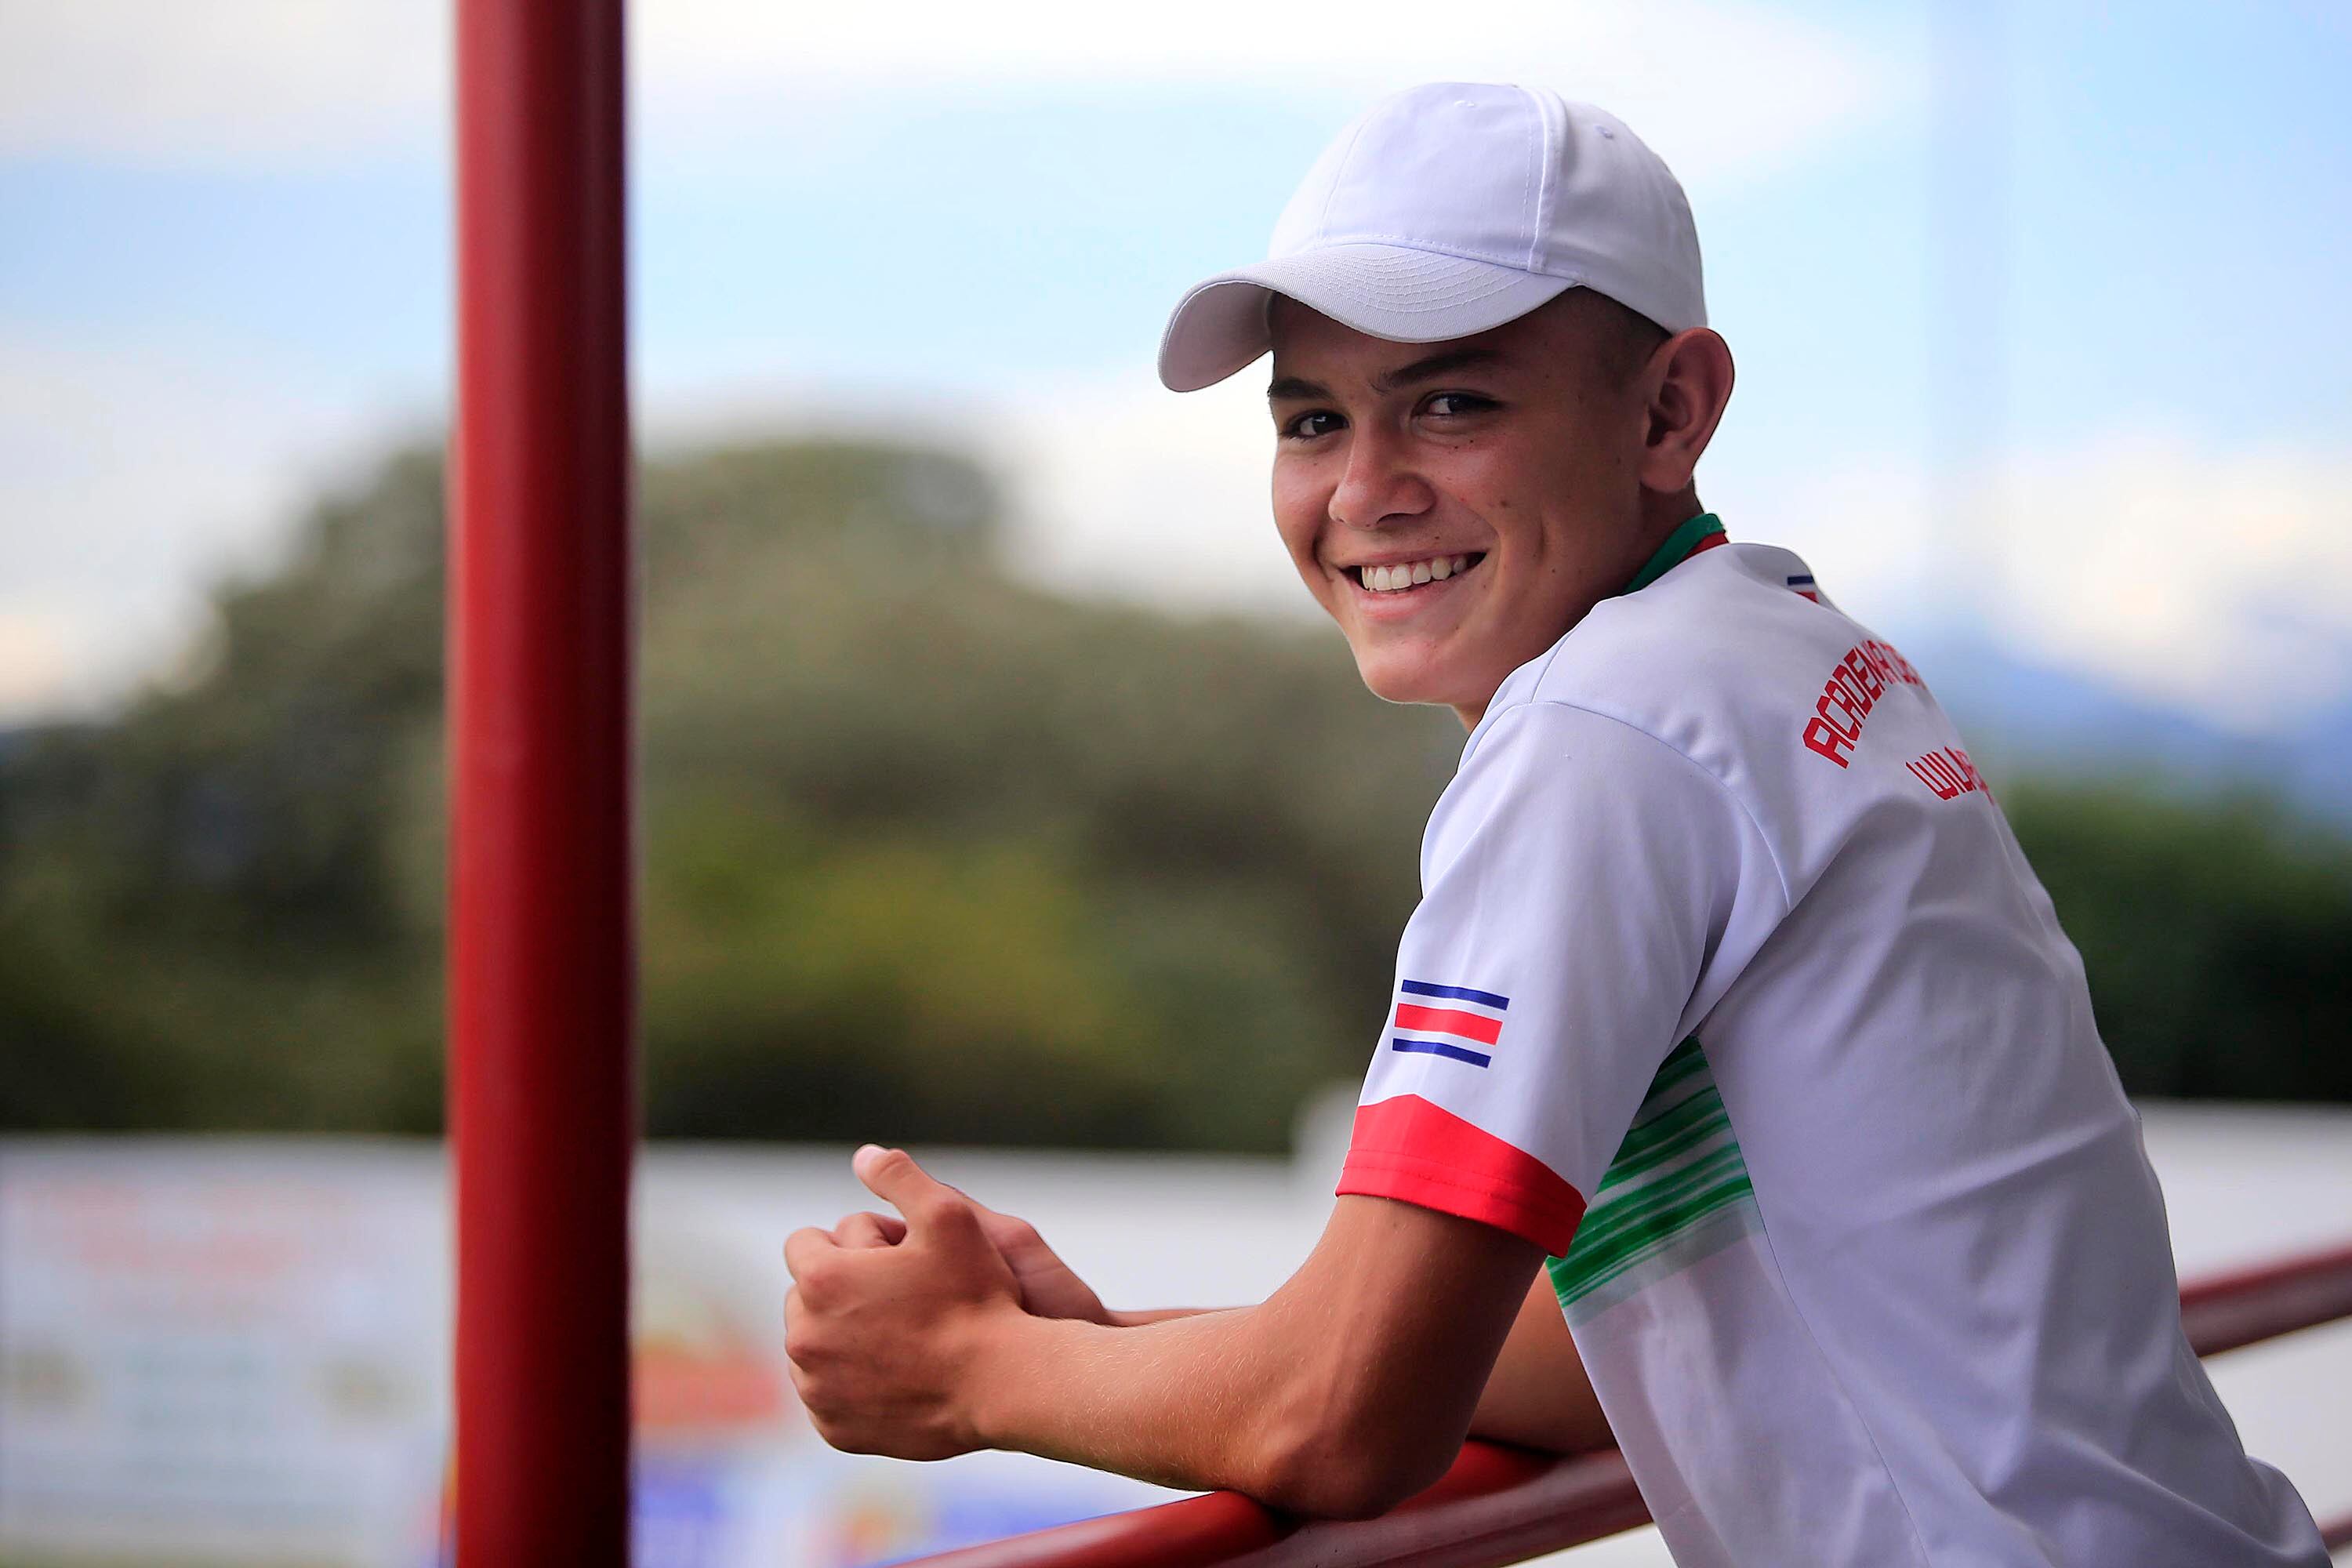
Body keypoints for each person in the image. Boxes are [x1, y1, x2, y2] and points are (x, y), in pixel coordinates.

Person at [782, 82, 2328, 1564]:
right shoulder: (1779, 651)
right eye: (1311, 419)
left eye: (1451, 402)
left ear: (1672, 410)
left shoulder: (1606, 727)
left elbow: (1343, 1421)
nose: (1366, 489)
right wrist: (1102, 1349)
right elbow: (1647, 1344)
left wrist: (973, 1374)